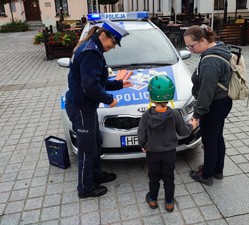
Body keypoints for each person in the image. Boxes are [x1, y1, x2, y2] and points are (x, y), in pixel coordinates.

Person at [65, 20, 132, 198]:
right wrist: (109, 99)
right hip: (81, 108)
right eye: (113, 42)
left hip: (85, 107)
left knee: (95, 142)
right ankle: (85, 189)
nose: (113, 47)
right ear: (103, 35)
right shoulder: (91, 52)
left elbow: (96, 81)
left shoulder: (93, 47)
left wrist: (118, 84)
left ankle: (97, 175)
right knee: (87, 149)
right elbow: (90, 87)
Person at [137, 75, 198, 212]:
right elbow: (183, 131)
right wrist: (192, 125)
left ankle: (153, 200)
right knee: (169, 178)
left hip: (152, 153)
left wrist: (143, 144)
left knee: (153, 178)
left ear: (151, 96)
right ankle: (169, 203)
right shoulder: (175, 115)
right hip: (169, 153)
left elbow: (141, 135)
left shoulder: (146, 116)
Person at [183, 24, 233, 186]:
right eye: (187, 46)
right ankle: (217, 169)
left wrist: (197, 115)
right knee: (217, 137)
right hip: (222, 102)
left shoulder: (210, 61)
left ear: (203, 40)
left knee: (210, 140)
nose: (190, 50)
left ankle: (207, 175)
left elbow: (206, 93)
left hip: (214, 105)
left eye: (192, 45)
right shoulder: (218, 49)